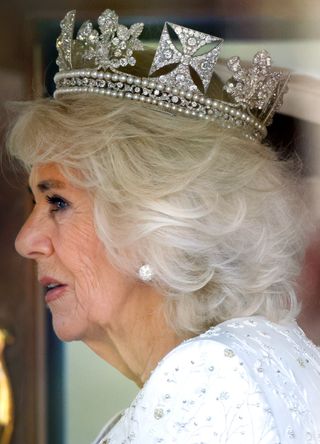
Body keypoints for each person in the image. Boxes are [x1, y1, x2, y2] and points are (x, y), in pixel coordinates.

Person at [6, 8, 320, 444]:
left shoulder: (207, 379)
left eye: (57, 201)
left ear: (156, 218)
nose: (26, 241)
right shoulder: (238, 361)